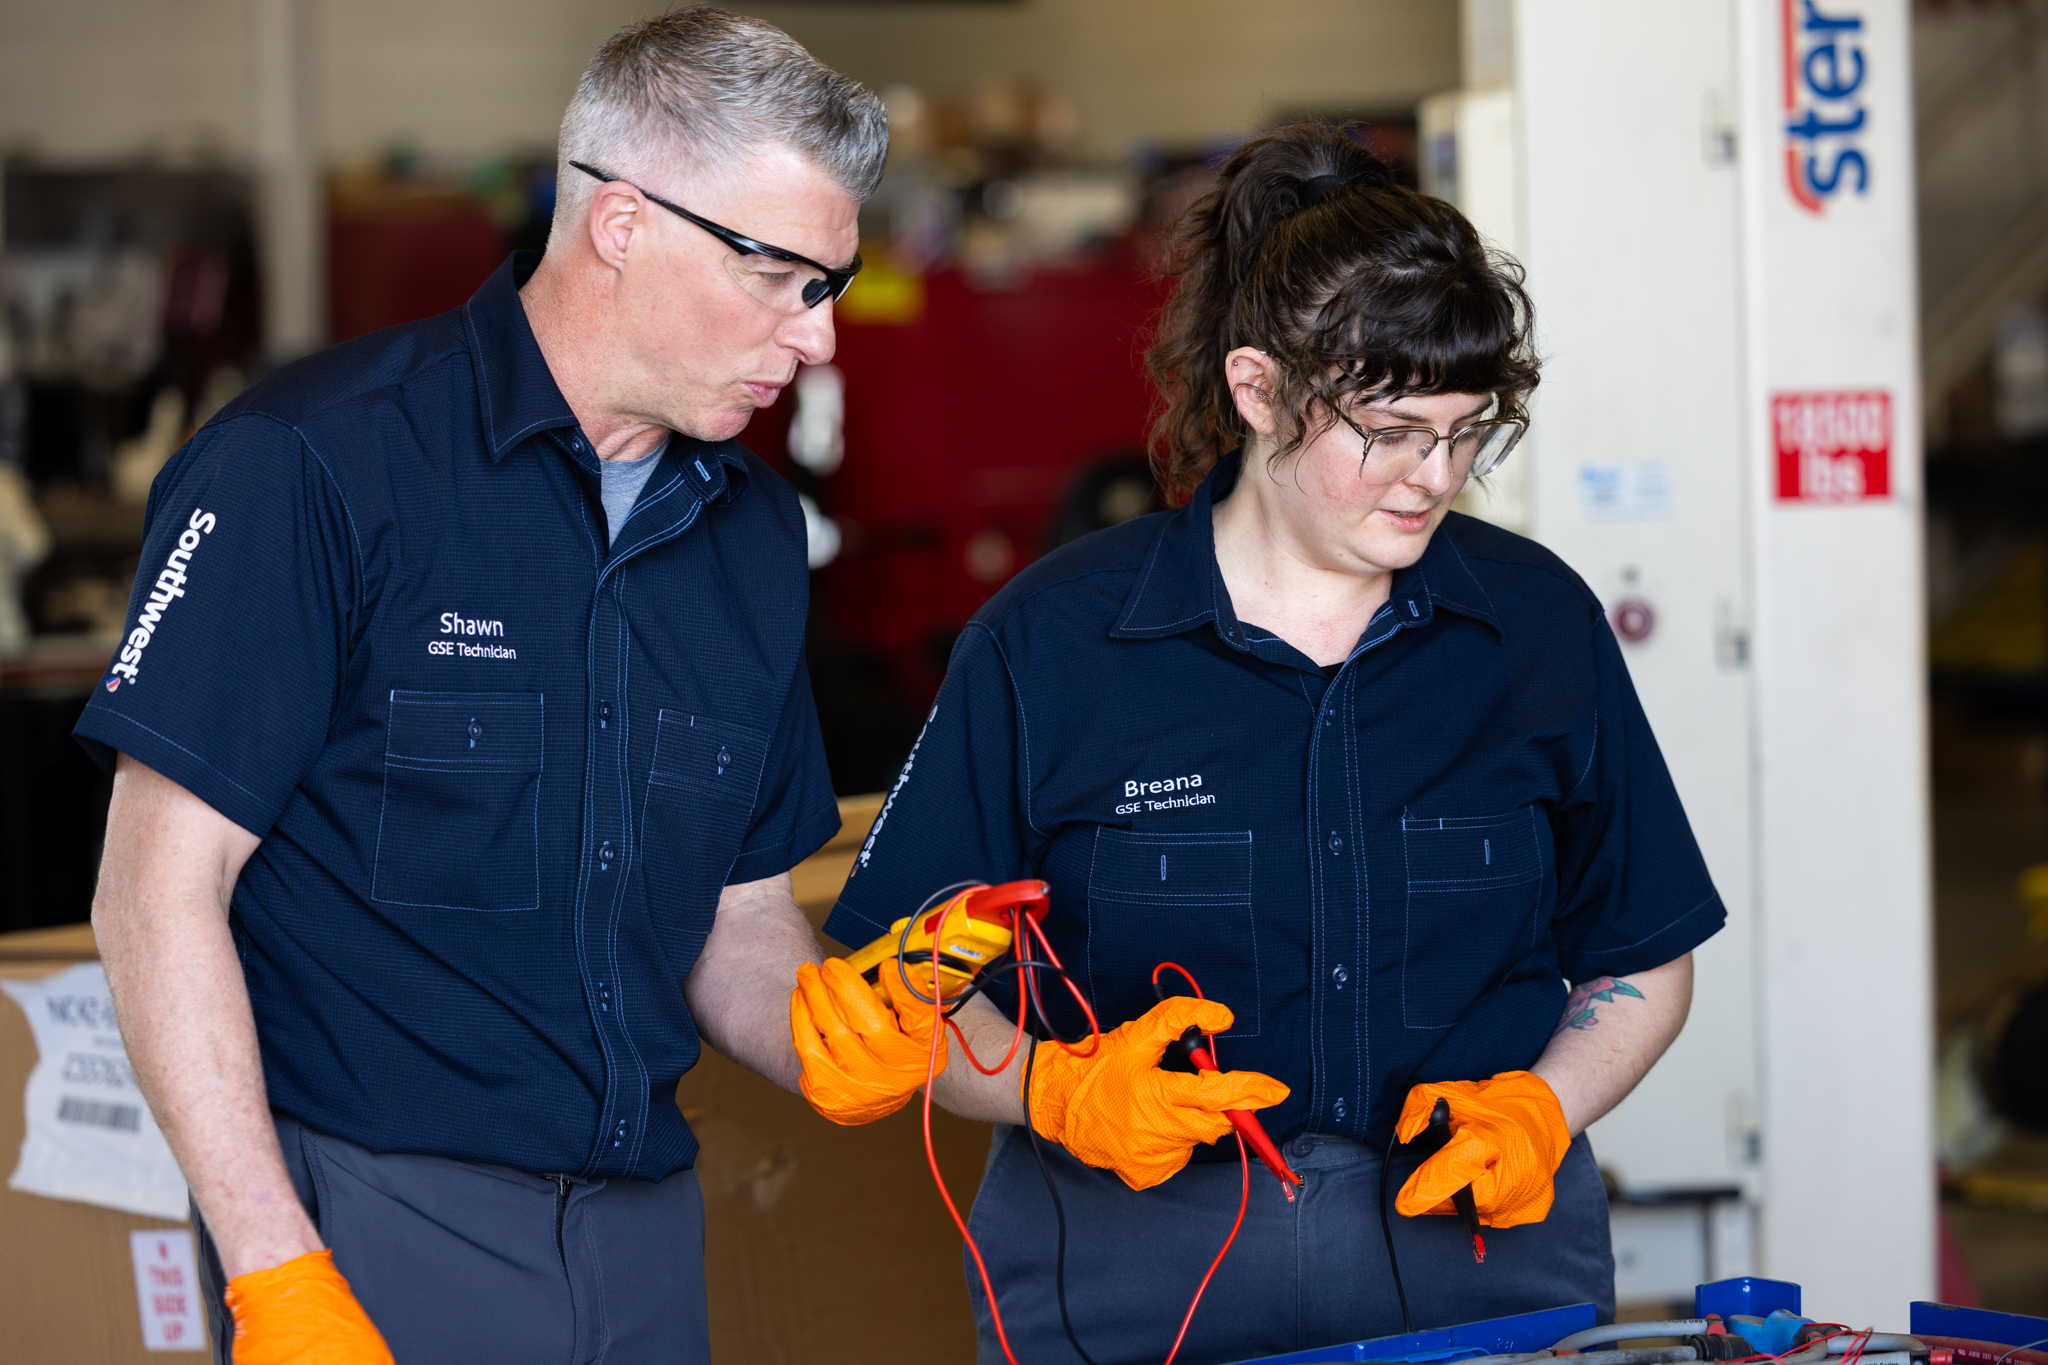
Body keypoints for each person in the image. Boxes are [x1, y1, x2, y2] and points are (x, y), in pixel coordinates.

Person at [793, 122, 1722, 1365]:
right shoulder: (1052, 648)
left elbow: (1643, 956)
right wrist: (1053, 1090)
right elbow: (900, 997)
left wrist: (1546, 1107)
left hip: (1481, 1261)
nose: (1432, 477)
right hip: (1134, 1272)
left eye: (1465, 432)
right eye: (1387, 433)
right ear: (1256, 388)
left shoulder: (1534, 631)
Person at [75, 10, 883, 1362]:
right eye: (777, 276)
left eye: (828, 289)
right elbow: (154, 892)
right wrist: (275, 1268)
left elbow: (734, 918)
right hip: (373, 1214)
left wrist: (838, 1029)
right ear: (622, 222)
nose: (811, 343)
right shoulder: (314, 467)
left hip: (644, 1222)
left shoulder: (745, 533)